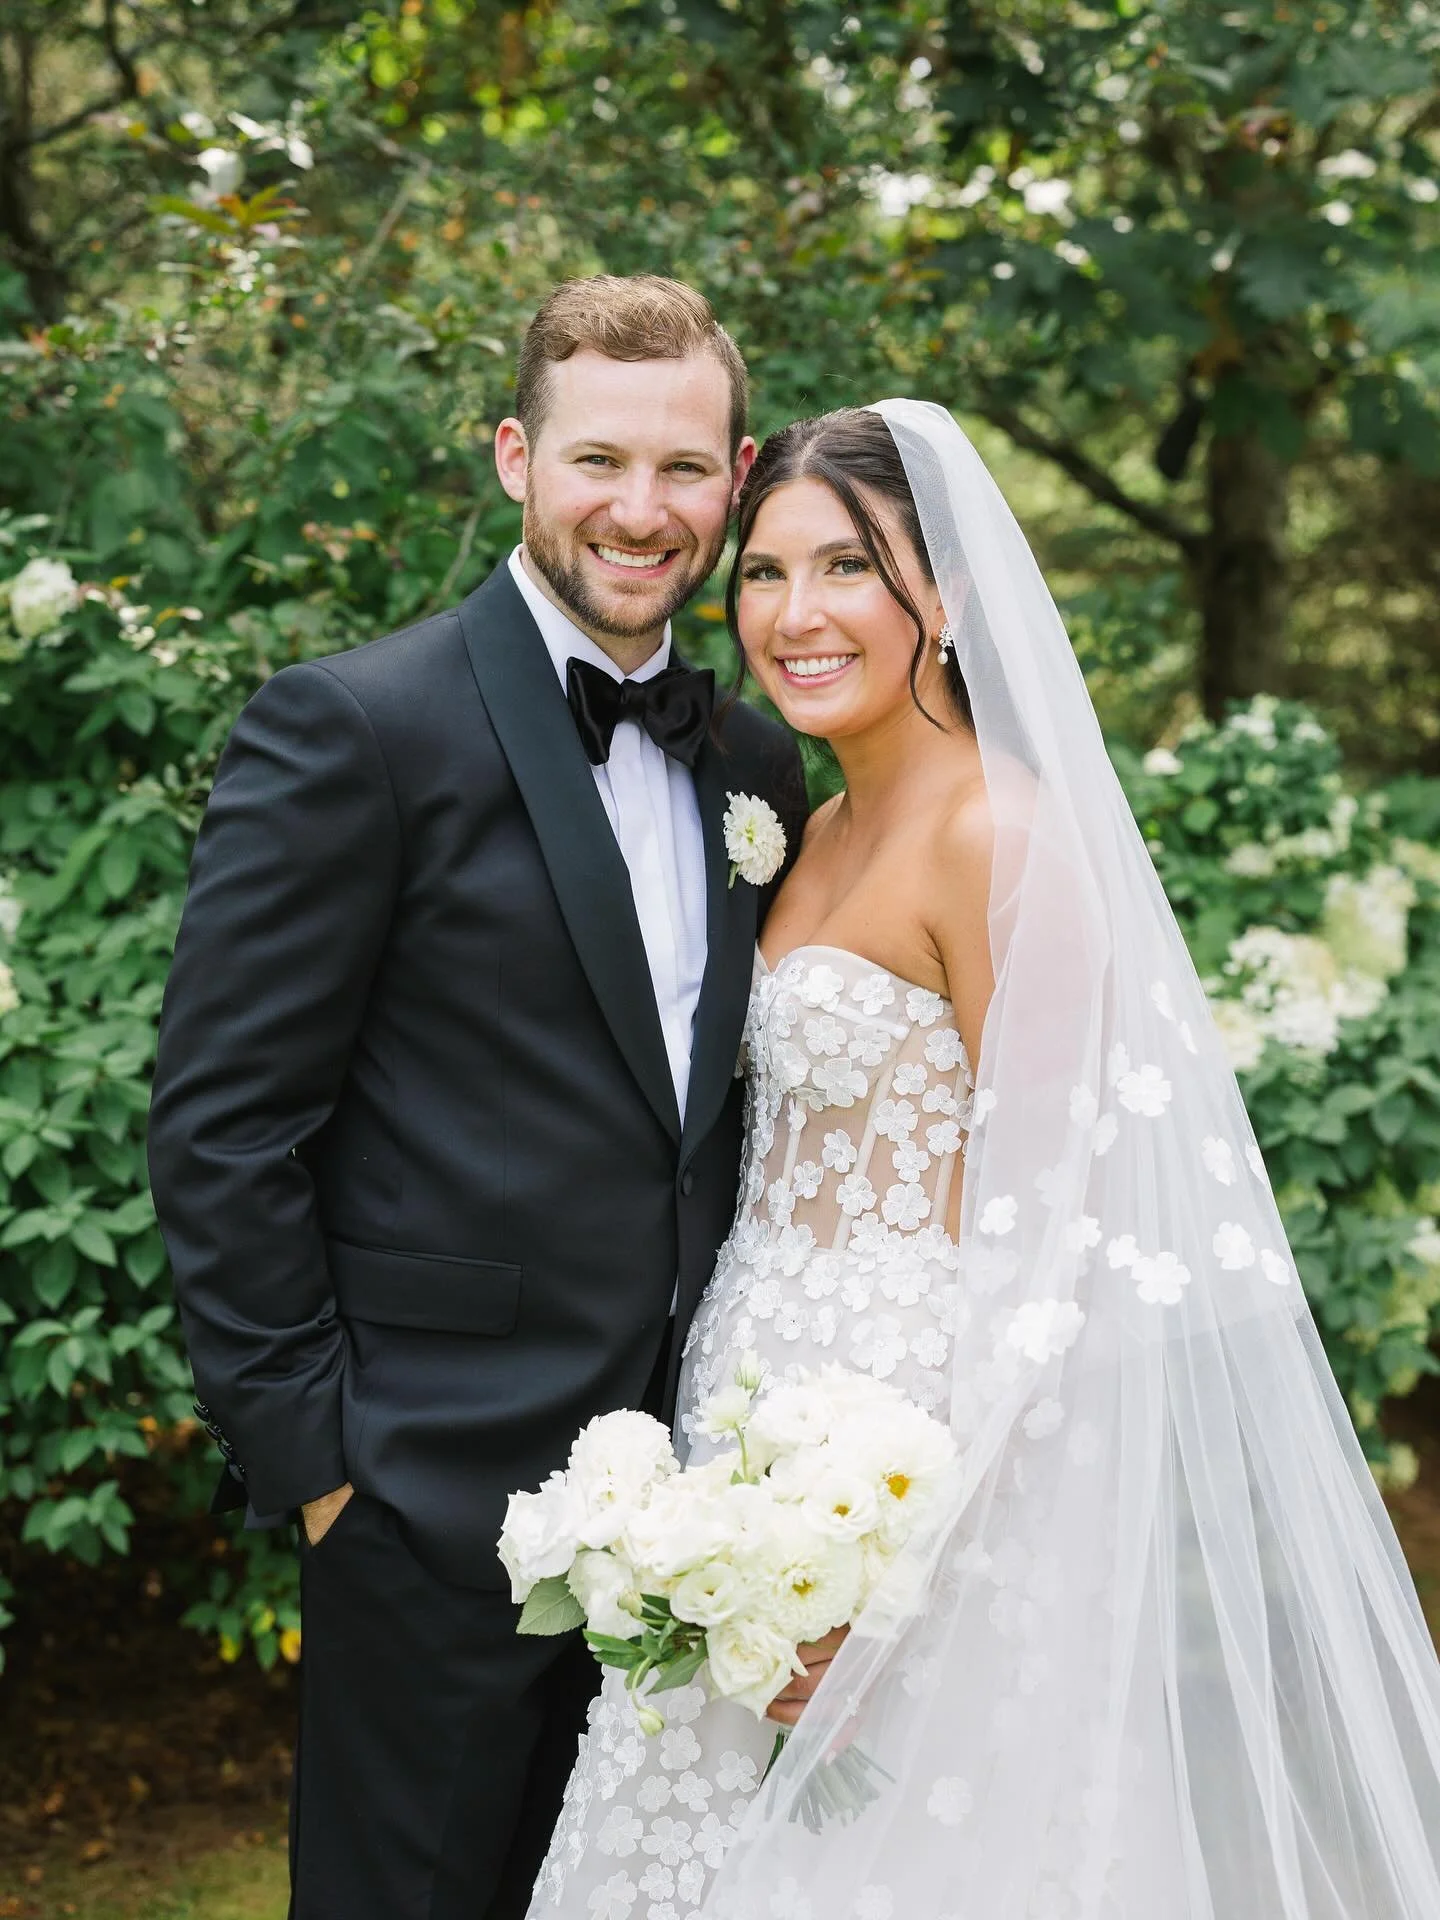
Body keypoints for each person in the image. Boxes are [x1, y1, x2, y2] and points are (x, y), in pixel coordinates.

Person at [528, 403, 1440, 1920]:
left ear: (940, 600)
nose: (796, 615)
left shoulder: (999, 835)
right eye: (764, 573)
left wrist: (884, 1573)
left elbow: (1066, 1248)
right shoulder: (805, 828)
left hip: (922, 1485)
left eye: (849, 570)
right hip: (742, 1446)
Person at [145, 274, 807, 1920]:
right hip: (430, 1507)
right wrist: (324, 1470)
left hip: (693, 1519)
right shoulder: (355, 727)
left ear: (733, 483)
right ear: (517, 456)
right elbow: (224, 1123)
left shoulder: (756, 763)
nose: (639, 511)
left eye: (682, 470)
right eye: (598, 461)